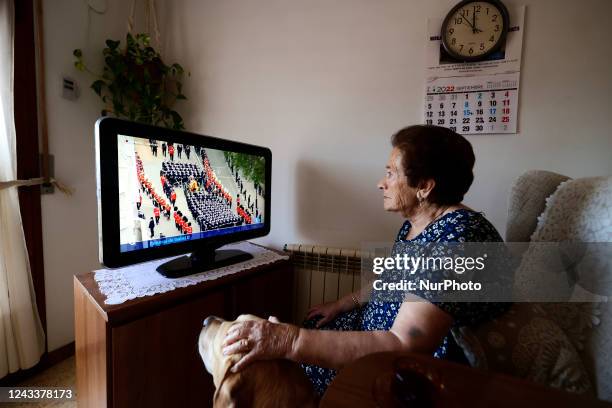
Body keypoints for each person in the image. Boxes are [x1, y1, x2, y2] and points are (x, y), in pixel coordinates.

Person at [221, 125, 511, 396]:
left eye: (391, 173)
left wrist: (289, 341)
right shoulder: (416, 224)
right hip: (371, 332)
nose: (380, 183)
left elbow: (405, 344)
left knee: (284, 374)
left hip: (411, 372)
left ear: (424, 186)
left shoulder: (458, 240)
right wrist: (342, 304)